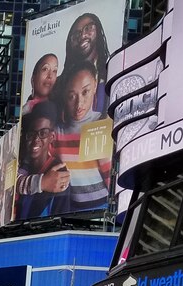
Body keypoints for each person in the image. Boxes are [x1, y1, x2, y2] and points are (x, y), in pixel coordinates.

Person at [52, 61, 111, 213]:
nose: (79, 103)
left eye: (85, 92)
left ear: (95, 86)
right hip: (72, 210)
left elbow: (111, 177)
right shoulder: (57, 131)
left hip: (104, 208)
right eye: (72, 96)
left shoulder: (102, 124)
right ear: (65, 95)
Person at [15, 101, 71, 220]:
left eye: (43, 133)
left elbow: (60, 220)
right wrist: (42, 183)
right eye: (31, 134)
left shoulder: (58, 172)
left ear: (52, 136)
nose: (36, 139)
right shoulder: (24, 165)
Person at [63, 12, 110, 111]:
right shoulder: (61, 84)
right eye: (76, 34)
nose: (82, 36)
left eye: (88, 28)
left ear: (98, 30)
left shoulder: (111, 73)